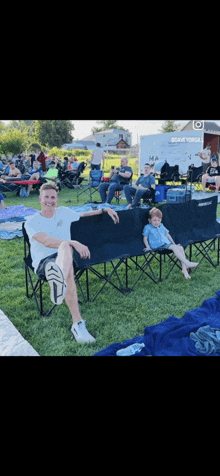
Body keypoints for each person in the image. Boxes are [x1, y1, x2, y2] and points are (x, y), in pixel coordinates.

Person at [24, 182, 119, 343]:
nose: (50, 200)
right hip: (44, 264)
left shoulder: (64, 212)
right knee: (66, 250)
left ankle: (59, 282)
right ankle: (77, 323)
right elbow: (46, 241)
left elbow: (84, 215)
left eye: (53, 197)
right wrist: (73, 242)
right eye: (46, 197)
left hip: (65, 258)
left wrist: (104, 209)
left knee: (65, 251)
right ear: (40, 199)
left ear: (57, 200)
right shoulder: (31, 221)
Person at [143, 207, 199, 280]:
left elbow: (167, 235)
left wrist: (173, 243)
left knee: (181, 248)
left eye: (158, 220)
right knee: (174, 247)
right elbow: (145, 238)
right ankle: (186, 263)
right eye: (154, 220)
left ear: (161, 220)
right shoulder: (148, 227)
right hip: (157, 245)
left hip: (166, 244)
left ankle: (184, 270)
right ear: (149, 220)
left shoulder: (161, 226)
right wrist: (147, 246)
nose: (157, 222)